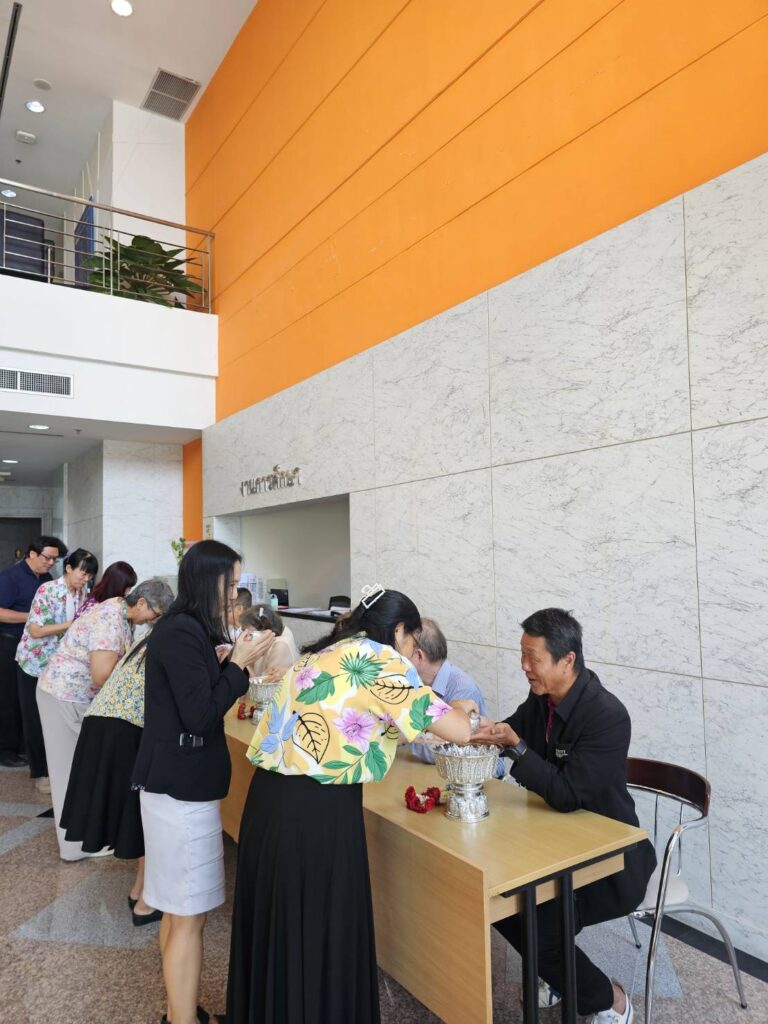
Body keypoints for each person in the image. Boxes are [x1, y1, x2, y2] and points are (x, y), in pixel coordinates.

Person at [225, 586, 479, 1024]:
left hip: (267, 803)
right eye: (411, 641)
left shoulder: (321, 655)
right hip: (317, 813)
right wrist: (463, 707)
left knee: (278, 924)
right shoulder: (380, 661)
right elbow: (458, 729)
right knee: (319, 924)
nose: (411, 652)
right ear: (398, 632)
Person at [472, 608, 657, 1024]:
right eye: (522, 655)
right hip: (553, 846)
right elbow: (513, 729)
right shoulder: (542, 700)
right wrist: (482, 728)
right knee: (500, 902)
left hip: (611, 861)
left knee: (538, 929)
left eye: (533, 658)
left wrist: (516, 747)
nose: (524, 666)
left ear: (567, 659)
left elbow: (568, 794)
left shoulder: (607, 716)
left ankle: (611, 1000)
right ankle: (556, 974)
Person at [132, 540, 275, 1024]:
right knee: (188, 915)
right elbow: (199, 714)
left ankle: (179, 1010)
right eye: (230, 584)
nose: (235, 594)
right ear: (206, 579)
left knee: (178, 911)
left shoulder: (184, 628)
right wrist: (237, 665)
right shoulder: (180, 631)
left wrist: (224, 662)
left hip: (174, 784)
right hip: (180, 788)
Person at [60, 580, 174, 926]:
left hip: (103, 722)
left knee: (138, 811)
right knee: (143, 812)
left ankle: (140, 892)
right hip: (122, 727)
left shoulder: (148, 637)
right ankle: (145, 899)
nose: (153, 619)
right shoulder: (163, 637)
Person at [37, 578, 165, 861]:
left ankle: (84, 838)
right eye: (154, 615)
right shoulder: (110, 619)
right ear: (141, 602)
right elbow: (102, 675)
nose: (153, 621)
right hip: (64, 693)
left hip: (76, 696)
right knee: (66, 770)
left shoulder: (122, 613)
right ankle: (72, 848)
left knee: (79, 769)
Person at [15, 548, 98, 793]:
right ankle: (40, 773)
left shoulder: (83, 593)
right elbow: (36, 630)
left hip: (60, 669)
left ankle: (58, 771)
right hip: (35, 663)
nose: (86, 579)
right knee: (34, 720)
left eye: (90, 575)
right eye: (83, 573)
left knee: (55, 722)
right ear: (68, 568)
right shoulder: (48, 590)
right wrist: (71, 625)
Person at [0, 536, 67, 767]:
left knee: (27, 700)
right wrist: (33, 617)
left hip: (34, 649)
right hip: (9, 643)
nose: (51, 563)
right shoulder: (11, 577)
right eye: (47, 558)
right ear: (32, 554)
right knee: (8, 698)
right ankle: (5, 751)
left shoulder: (46, 578)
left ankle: (24, 747)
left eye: (55, 560)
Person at [407, 617, 498, 770]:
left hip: (474, 774)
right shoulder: (415, 683)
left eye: (403, 650)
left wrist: (403, 733)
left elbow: (450, 752)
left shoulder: (463, 689)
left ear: (419, 656)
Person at [239, 604, 299, 680]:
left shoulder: (280, 646)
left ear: (266, 631)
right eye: (243, 631)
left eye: (250, 634)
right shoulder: (269, 636)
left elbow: (266, 683)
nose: (246, 638)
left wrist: (243, 662)